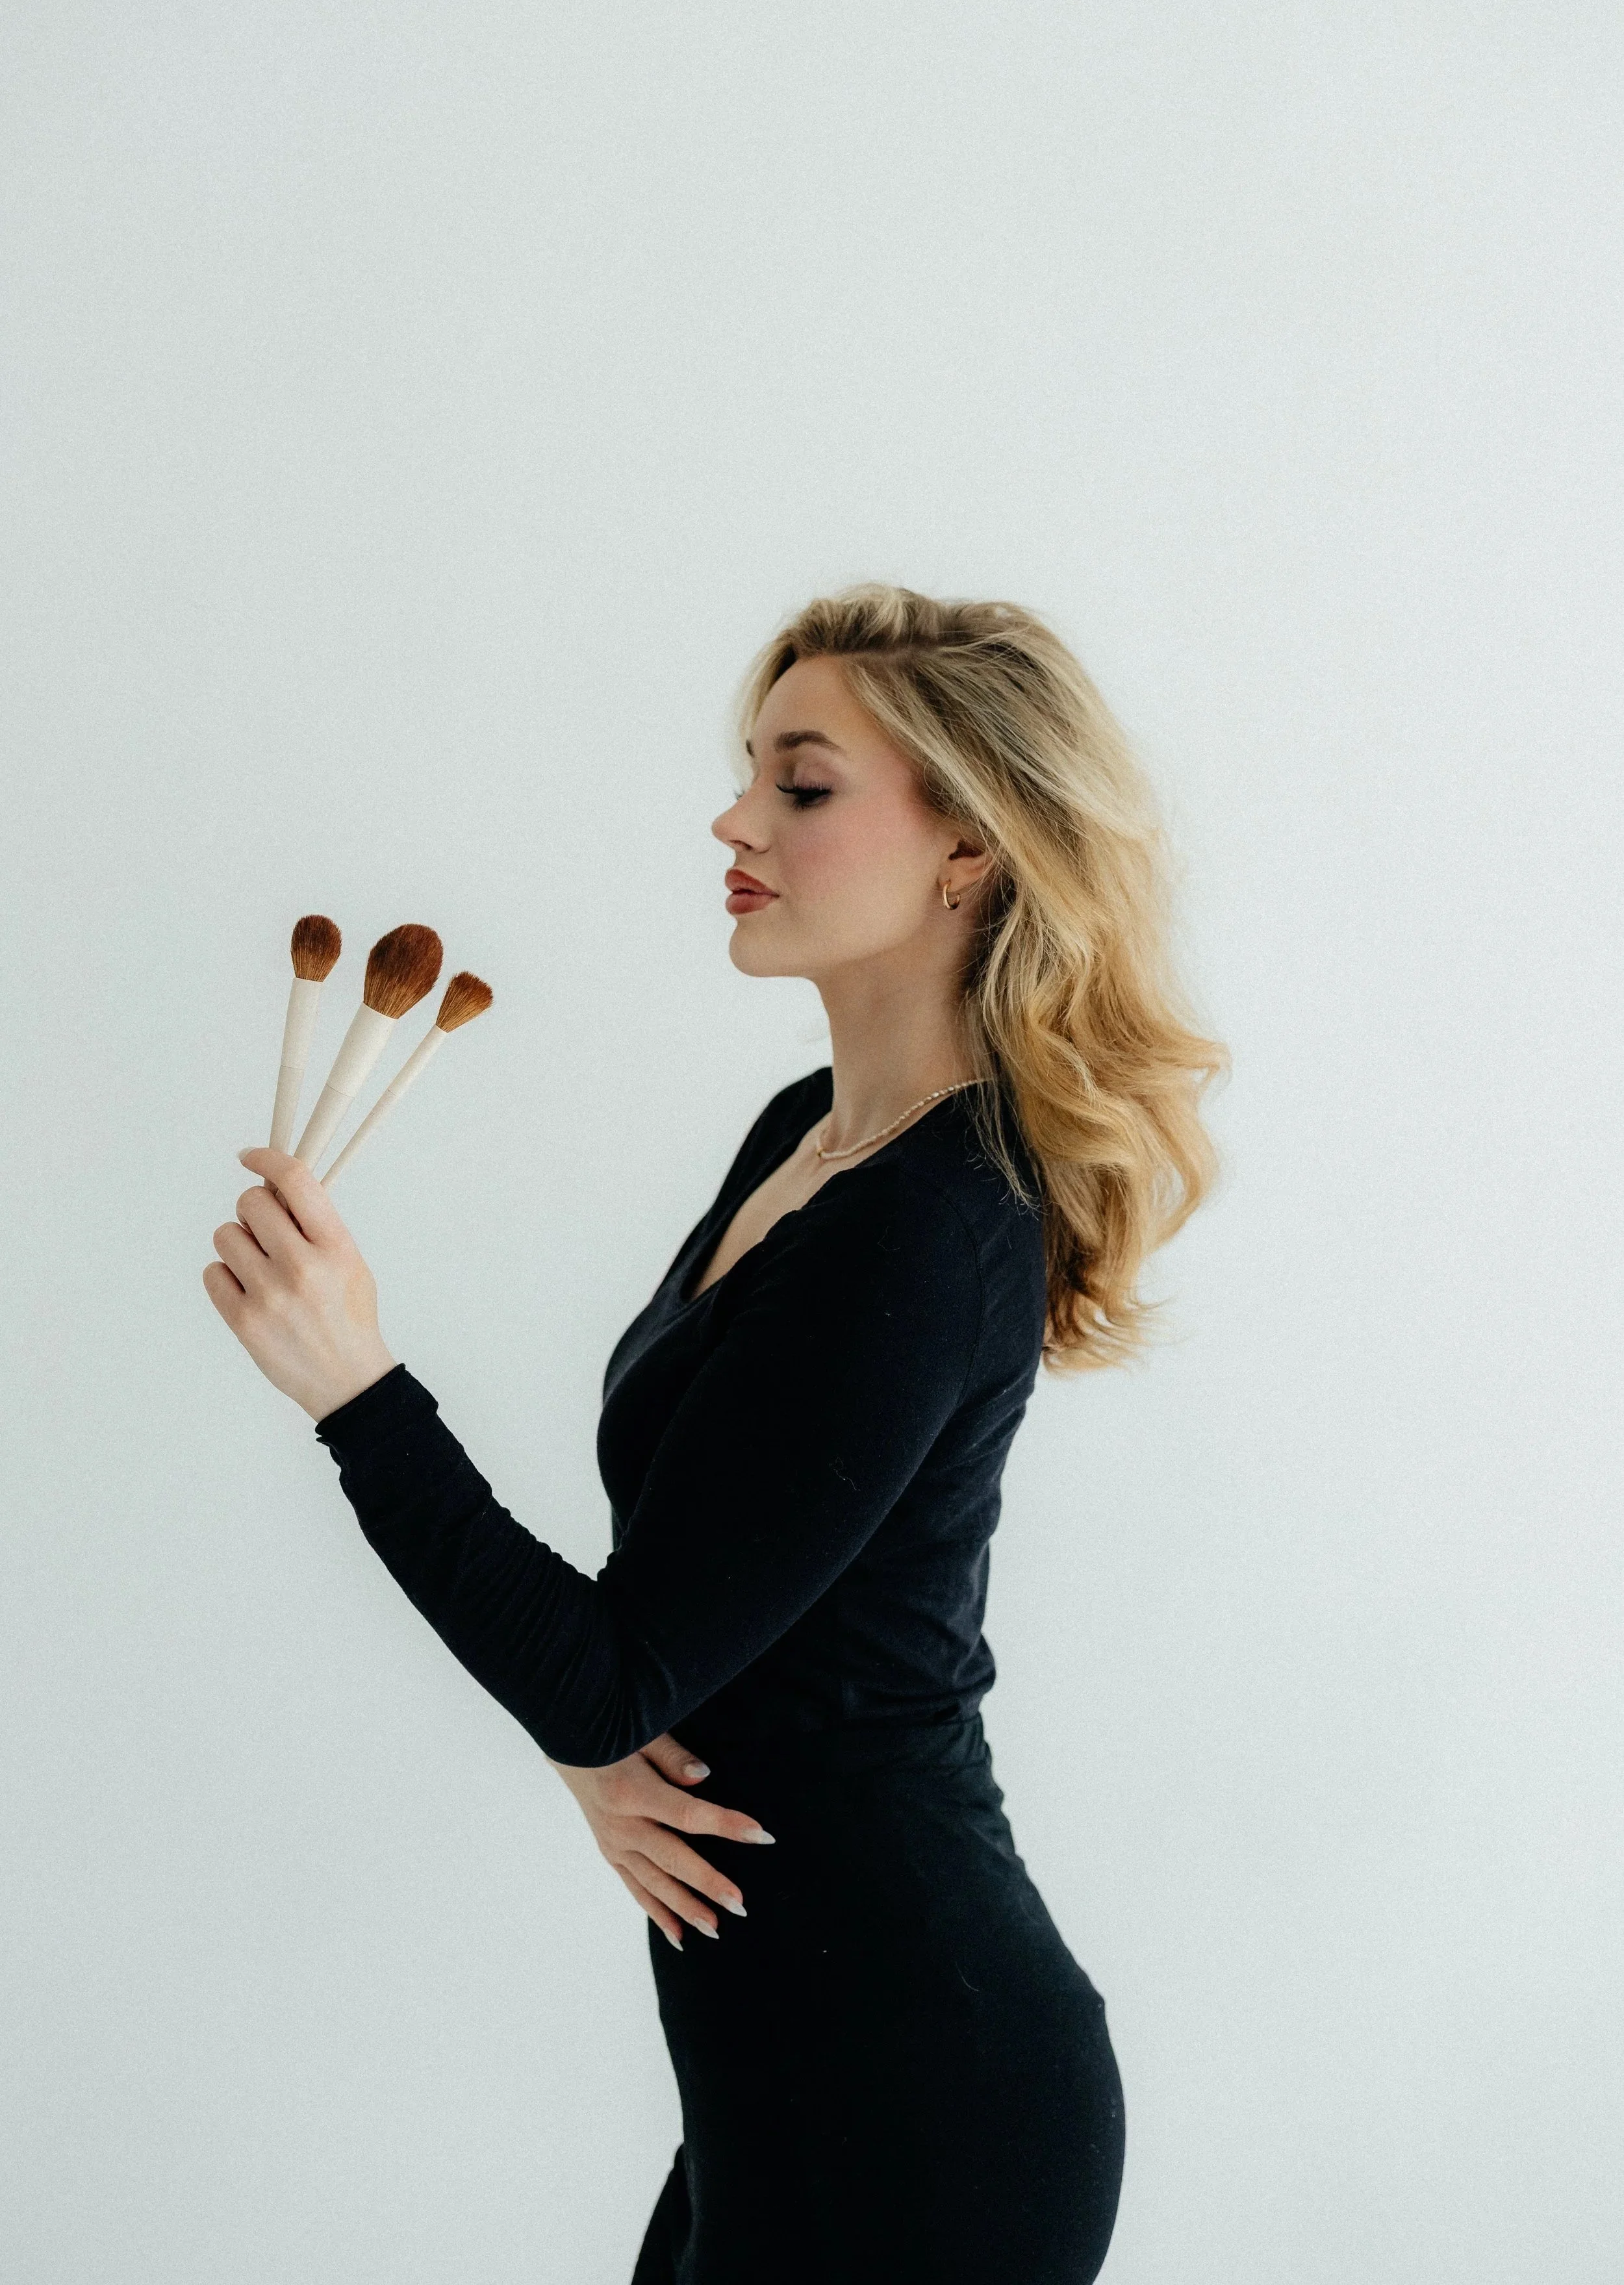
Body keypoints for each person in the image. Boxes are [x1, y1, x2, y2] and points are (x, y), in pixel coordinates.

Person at [206, 583, 1228, 2283]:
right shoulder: (809, 1137)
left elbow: (619, 1667)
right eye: (748, 772)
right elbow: (685, 1621)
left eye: (802, 786)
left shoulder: (930, 1220)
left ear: (969, 849)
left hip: (919, 2098)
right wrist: (594, 1751)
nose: (733, 819)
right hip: (785, 2078)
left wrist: (356, 1391)